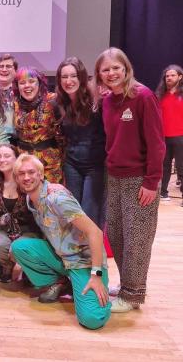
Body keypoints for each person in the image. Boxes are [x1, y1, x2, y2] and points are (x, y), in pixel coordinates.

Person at [96, 47, 165, 313]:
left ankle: (133, 295)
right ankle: (126, 284)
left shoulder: (143, 97)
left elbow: (157, 143)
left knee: (137, 238)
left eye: (116, 67)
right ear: (99, 75)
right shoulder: (107, 101)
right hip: (114, 176)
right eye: (105, 69)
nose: (111, 73)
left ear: (126, 68)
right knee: (116, 235)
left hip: (139, 179)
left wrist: (152, 181)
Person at [11, 154, 111, 329]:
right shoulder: (31, 199)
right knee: (18, 248)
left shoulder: (56, 198)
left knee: (92, 319)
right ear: (17, 178)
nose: (26, 177)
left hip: (84, 261)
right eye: (21, 174)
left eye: (31, 172)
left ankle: (97, 291)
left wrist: (97, 276)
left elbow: (95, 232)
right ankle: (63, 283)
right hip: (63, 258)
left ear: (41, 174)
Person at [56, 57, 106, 227]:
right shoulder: (60, 102)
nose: (68, 81)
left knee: (90, 212)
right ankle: (78, 252)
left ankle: (94, 253)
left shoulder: (97, 100)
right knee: (74, 212)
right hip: (72, 165)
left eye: (73, 76)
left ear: (81, 77)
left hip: (96, 165)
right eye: (64, 77)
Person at [0, 144, 42, 282]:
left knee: (20, 249)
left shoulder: (25, 178)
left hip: (27, 230)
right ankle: (7, 266)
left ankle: (24, 265)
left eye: (7, 156)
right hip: (3, 230)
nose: (2, 160)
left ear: (16, 158)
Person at [13, 67, 63, 183]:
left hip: (49, 163)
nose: (27, 86)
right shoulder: (14, 104)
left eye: (31, 81)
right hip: (24, 163)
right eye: (22, 83)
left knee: (50, 198)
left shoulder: (53, 100)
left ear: (39, 83)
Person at [155, 64, 183, 204]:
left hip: (181, 137)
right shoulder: (160, 95)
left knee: (182, 166)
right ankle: (163, 193)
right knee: (164, 167)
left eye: (172, 75)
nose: (169, 78)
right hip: (163, 137)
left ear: (180, 77)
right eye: (167, 76)